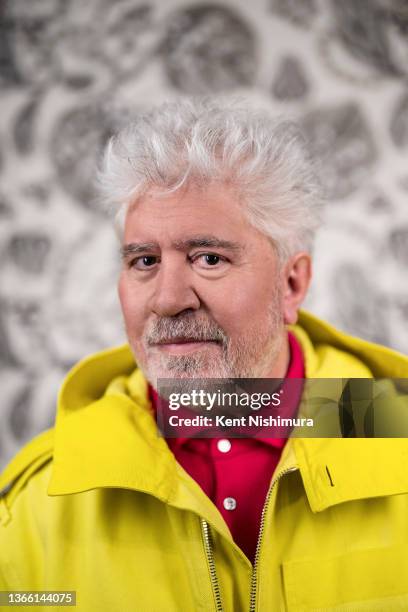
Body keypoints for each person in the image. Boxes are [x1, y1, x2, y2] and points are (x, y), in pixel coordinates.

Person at [0, 98, 407, 612]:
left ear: (291, 282)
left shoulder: (398, 436)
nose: (168, 299)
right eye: (144, 260)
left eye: (208, 258)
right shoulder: (37, 503)